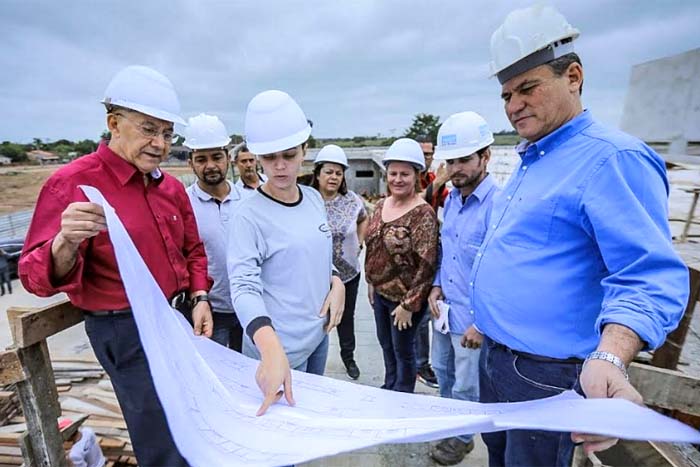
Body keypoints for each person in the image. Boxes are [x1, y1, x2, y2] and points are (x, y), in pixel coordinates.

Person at [472, 5, 689, 466]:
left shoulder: (613, 159)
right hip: (496, 361)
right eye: (506, 94)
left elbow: (649, 277)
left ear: (573, 76)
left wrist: (610, 357)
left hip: (546, 376)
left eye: (527, 88)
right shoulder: (536, 157)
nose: (513, 106)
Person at [19, 65, 214, 467]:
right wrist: (64, 241)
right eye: (148, 129)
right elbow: (34, 277)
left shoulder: (171, 187)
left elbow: (193, 249)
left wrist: (199, 296)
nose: (159, 143)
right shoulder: (71, 184)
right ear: (114, 124)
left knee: (194, 420)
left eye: (166, 133)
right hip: (123, 328)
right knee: (160, 437)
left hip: (173, 317)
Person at [228, 90, 345, 396]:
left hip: (318, 337)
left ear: (304, 150)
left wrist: (336, 281)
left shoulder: (313, 198)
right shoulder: (248, 215)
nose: (280, 166)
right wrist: (269, 347)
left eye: (289, 155)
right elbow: (243, 287)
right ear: (257, 158)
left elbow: (315, 254)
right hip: (278, 349)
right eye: (269, 157)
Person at [427, 112, 499, 465]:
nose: (455, 168)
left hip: (472, 319)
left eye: (464, 160)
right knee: (442, 373)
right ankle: (449, 423)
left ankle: (462, 437)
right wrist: (436, 287)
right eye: (450, 160)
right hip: (445, 311)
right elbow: (449, 250)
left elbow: (501, 274)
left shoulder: (497, 207)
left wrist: (483, 323)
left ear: (486, 156)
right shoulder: (452, 200)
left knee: (468, 384)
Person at [365, 138, 439, 393]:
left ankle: (402, 397)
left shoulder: (422, 213)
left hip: (405, 301)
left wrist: (408, 305)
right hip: (381, 294)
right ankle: (390, 387)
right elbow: (373, 246)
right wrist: (371, 282)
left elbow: (428, 265)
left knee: (404, 352)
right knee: (386, 346)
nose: (398, 179)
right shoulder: (380, 205)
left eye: (404, 174)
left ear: (416, 175)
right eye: (393, 173)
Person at [184, 113, 245, 351]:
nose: (210, 165)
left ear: (228, 158)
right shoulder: (184, 204)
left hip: (249, 307)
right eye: (201, 159)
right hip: (209, 310)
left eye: (216, 157)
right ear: (191, 163)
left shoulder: (249, 201)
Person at [310, 144, 369, 380]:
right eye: (328, 172)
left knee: (346, 318)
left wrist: (360, 242)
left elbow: (364, 219)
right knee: (316, 317)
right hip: (316, 274)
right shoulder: (307, 199)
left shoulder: (351, 200)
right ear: (318, 174)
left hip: (347, 274)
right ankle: (313, 358)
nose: (333, 177)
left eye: (338, 172)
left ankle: (348, 357)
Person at [414, 135, 450, 389]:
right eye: (423, 154)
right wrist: (439, 182)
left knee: (427, 312)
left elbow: (449, 200)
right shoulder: (407, 175)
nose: (427, 159)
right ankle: (419, 365)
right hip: (412, 257)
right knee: (418, 314)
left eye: (430, 154)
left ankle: (425, 363)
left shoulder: (431, 180)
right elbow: (413, 204)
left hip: (431, 251)